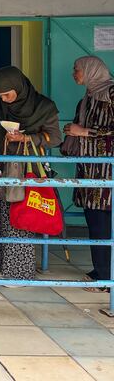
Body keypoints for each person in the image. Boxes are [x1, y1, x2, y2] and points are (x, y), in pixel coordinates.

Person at [0, 66, 60, 281]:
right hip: (4, 169)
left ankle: (18, 272)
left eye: (8, 94)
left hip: (28, 172)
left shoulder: (43, 106)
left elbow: (55, 138)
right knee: (3, 217)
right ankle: (3, 265)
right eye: (0, 96)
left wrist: (26, 139)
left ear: (19, 87)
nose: (5, 100)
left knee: (21, 218)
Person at [63, 56, 114, 291]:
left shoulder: (111, 93)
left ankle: (105, 277)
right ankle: (101, 272)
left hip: (107, 172)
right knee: (95, 224)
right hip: (89, 171)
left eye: (77, 69)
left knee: (103, 224)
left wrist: (84, 131)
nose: (75, 73)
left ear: (91, 71)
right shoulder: (87, 99)